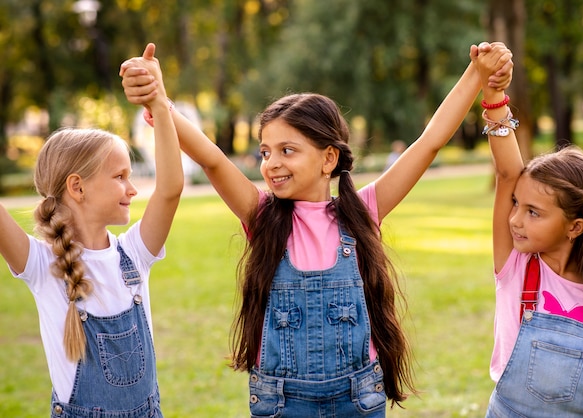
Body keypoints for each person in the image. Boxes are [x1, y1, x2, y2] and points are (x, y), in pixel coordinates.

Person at [120, 42, 512, 417]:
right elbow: (212, 158)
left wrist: (476, 75)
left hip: (358, 399)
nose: (272, 163)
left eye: (287, 150)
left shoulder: (363, 212)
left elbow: (429, 143)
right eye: (265, 152)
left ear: (329, 158)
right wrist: (161, 101)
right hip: (282, 403)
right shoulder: (262, 215)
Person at [0, 43, 183, 417]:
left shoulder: (135, 254)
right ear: (77, 187)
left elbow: (170, 188)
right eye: (120, 177)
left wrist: (159, 103)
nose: (132, 190)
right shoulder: (40, 264)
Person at [474, 44, 583, 417]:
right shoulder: (516, 263)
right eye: (516, 205)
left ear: (575, 226)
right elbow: (508, 172)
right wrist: (494, 96)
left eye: (533, 213)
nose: (515, 221)